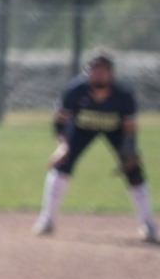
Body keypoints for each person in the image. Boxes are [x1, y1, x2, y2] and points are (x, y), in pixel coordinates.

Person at [33, 50, 158, 242]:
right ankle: (46, 220)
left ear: (111, 73)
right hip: (81, 128)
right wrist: (62, 146)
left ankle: (147, 224)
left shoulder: (123, 94)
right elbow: (60, 122)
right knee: (62, 165)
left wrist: (130, 150)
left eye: (103, 70)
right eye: (94, 70)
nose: (98, 74)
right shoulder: (75, 91)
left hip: (115, 129)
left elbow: (129, 127)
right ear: (87, 72)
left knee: (134, 170)